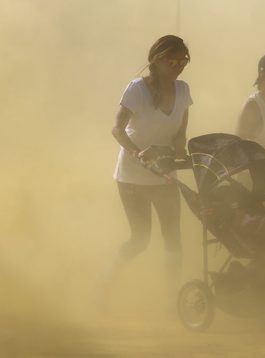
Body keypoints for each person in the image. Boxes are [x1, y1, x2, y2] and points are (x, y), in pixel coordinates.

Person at [107, 35, 192, 302]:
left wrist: (179, 148)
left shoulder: (184, 90)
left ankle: (171, 298)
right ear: (157, 60)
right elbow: (117, 129)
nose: (179, 66)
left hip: (165, 175)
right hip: (132, 177)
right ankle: (107, 281)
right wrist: (137, 153)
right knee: (140, 239)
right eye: (173, 61)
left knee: (173, 238)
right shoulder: (136, 89)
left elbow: (180, 133)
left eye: (184, 61)